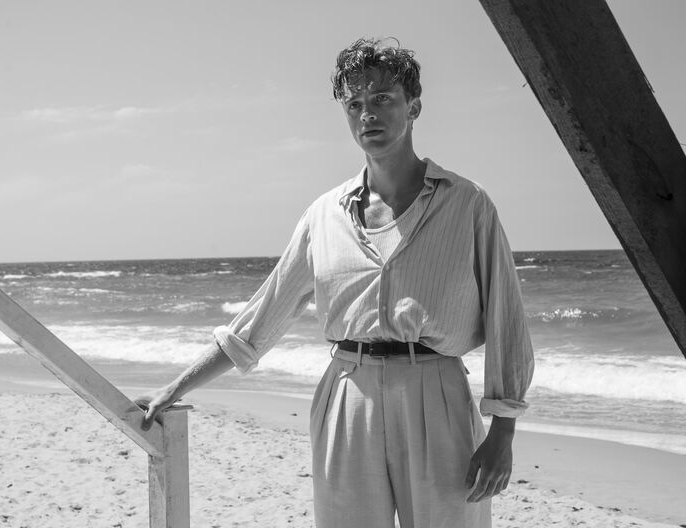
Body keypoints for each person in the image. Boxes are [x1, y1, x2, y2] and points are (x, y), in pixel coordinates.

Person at [136, 37, 534, 528]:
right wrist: (173, 388)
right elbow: (259, 322)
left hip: (438, 394)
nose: (368, 114)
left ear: (415, 106)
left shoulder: (468, 204)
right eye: (355, 104)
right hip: (347, 393)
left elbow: (506, 321)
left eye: (383, 99)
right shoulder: (324, 214)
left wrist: (503, 434)